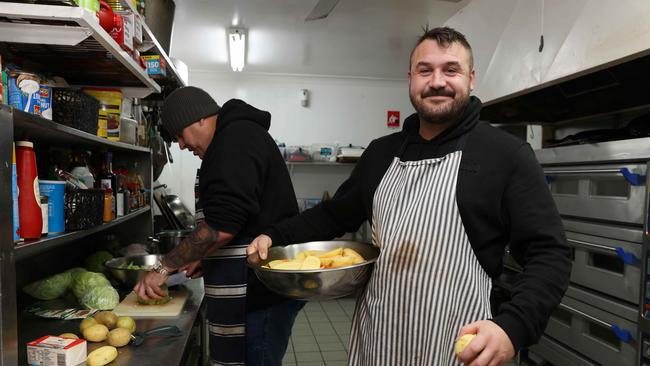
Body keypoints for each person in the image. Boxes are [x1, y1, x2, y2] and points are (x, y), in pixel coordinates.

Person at [247, 27, 571, 365]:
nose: (437, 81)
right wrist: (276, 235)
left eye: (451, 69)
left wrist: (512, 327)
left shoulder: (505, 155)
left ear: (471, 78)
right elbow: (333, 215)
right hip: (380, 340)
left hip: (460, 346)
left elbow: (550, 254)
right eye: (425, 70)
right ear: (410, 78)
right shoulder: (380, 153)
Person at [134, 86, 304, 366]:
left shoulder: (234, 141)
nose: (182, 145)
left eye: (180, 135)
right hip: (258, 288)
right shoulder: (235, 138)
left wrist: (163, 267)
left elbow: (222, 226)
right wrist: (206, 256)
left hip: (258, 293)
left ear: (200, 118)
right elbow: (239, 217)